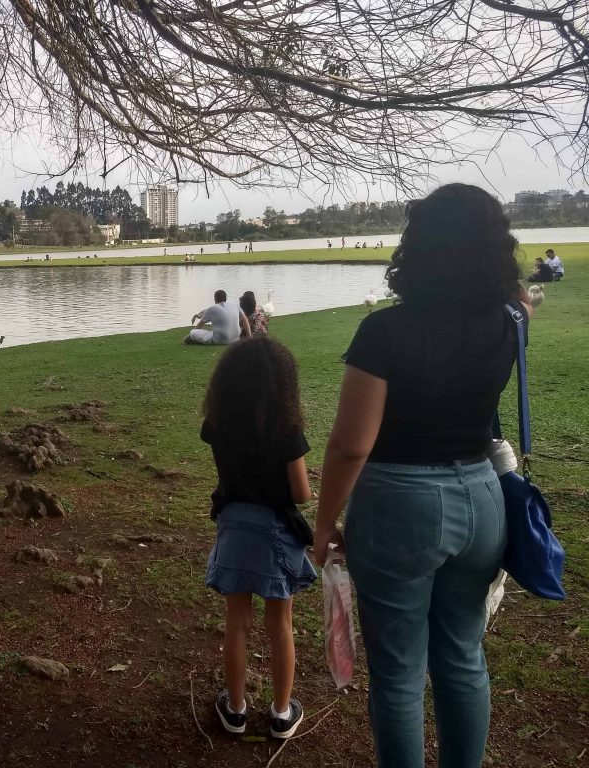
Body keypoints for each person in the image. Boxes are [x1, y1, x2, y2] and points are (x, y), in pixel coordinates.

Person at [314, 184, 532, 768]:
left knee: (399, 675)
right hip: (483, 497)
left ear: (418, 245)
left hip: (399, 506)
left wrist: (324, 520)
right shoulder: (511, 322)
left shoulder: (384, 333)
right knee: (462, 656)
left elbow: (350, 446)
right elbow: (520, 304)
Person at [201, 338, 315, 739]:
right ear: (283, 383)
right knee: (280, 624)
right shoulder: (287, 429)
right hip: (275, 531)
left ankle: (235, 710)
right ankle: (282, 714)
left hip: (233, 526)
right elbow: (301, 493)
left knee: (236, 623)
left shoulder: (216, 423)